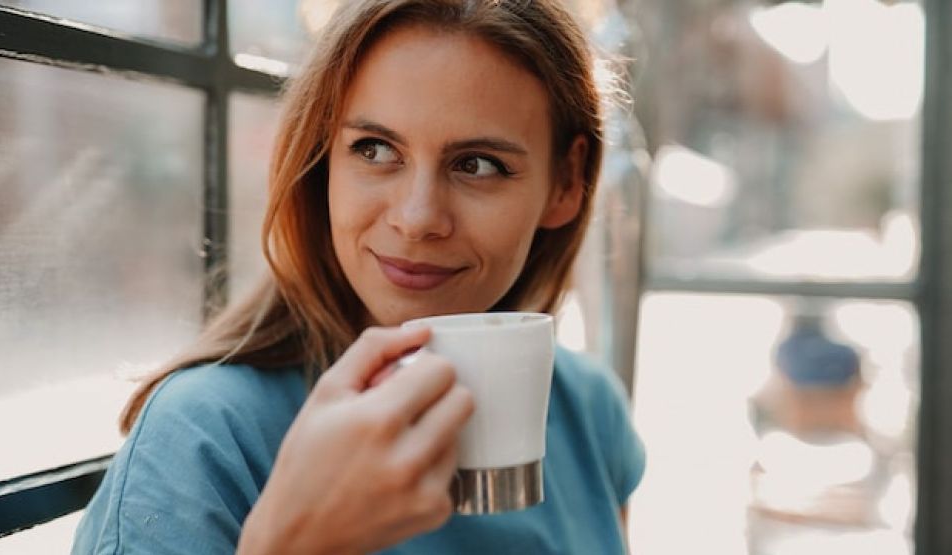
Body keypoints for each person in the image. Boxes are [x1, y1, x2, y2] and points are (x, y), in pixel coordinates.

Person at [72, 0, 645, 552]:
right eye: (373, 150)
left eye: (477, 165)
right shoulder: (205, 440)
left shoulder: (588, 411)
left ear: (567, 182)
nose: (417, 218)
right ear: (321, 160)